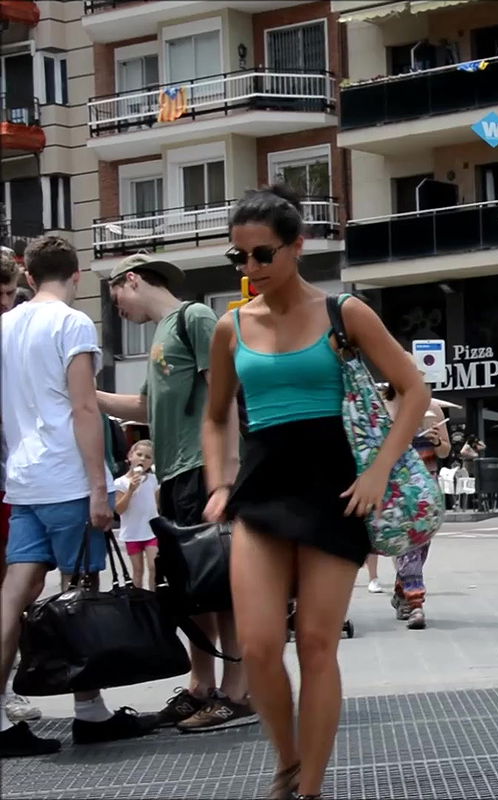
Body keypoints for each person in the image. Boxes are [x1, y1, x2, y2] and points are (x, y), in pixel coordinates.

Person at [201, 184, 431, 800]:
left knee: (317, 644)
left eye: (262, 254)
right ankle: (287, 762)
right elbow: (216, 415)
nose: (250, 267)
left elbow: (414, 390)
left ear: (297, 246)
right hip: (263, 491)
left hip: (335, 491)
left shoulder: (344, 312)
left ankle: (310, 788)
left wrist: (379, 471)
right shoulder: (230, 327)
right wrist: (218, 482)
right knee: (257, 646)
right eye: (239, 256)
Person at [1, 236, 153, 758]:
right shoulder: (72, 323)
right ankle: (90, 711)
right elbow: (85, 408)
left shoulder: (5, 326)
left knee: (12, 595)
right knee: (81, 590)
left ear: (27, 275)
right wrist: (98, 488)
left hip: (24, 479)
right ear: (77, 275)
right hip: (67, 477)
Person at [98, 252, 254, 733]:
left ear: (132, 280)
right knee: (192, 589)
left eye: (116, 298)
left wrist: (224, 477)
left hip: (203, 469)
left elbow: (223, 395)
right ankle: (201, 686)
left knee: (222, 584)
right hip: (175, 475)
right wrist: (87, 396)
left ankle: (237, 692)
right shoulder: (163, 334)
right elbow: (145, 405)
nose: (119, 310)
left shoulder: (195, 317)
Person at [0, 247, 42, 728]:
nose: (4, 302)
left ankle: (7, 688)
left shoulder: (17, 331)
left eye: (9, 292)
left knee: (18, 583)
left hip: (15, 476)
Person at [384, 388, 450, 630]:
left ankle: (401, 591)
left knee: (421, 545)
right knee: (408, 545)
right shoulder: (385, 406)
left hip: (427, 484)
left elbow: (445, 451)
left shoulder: (432, 408)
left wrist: (436, 441)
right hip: (397, 483)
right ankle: (415, 603)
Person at [114, 440, 160, 590]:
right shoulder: (120, 482)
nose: (142, 459)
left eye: (148, 457)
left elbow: (157, 503)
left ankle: (153, 596)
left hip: (151, 531)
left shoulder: (153, 480)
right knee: (138, 570)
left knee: (154, 566)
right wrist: (131, 490)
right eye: (139, 454)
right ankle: (138, 599)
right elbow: (119, 509)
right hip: (132, 533)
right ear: (130, 456)